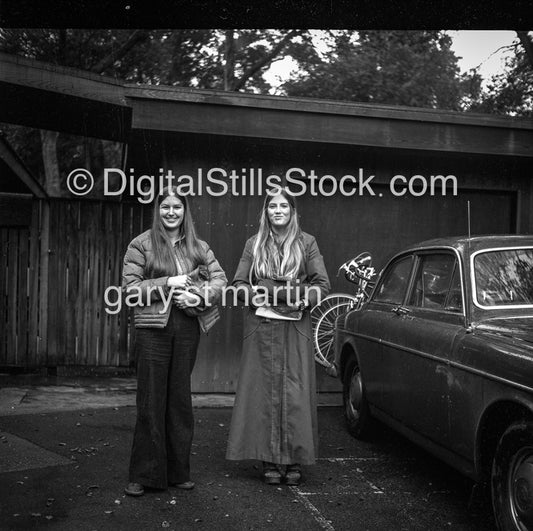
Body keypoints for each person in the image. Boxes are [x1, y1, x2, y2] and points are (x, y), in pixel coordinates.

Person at [122, 186, 227, 497]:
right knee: (151, 400)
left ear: (185, 211)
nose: (171, 212)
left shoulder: (199, 246)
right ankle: (144, 474)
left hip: (186, 327)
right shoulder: (141, 244)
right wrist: (168, 282)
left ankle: (178, 471)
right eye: (165, 206)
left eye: (177, 207)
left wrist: (196, 294)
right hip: (152, 329)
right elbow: (130, 289)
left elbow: (219, 281)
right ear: (158, 209)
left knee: (179, 400)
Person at [226, 188, 330, 485]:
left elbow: (321, 285)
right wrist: (256, 295)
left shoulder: (306, 243)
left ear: (293, 210)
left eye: (284, 205)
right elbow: (238, 284)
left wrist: (299, 296)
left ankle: (293, 460)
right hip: (262, 327)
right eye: (273, 206)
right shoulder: (254, 244)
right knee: (265, 392)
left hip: (295, 326)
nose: (278, 210)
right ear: (266, 211)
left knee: (295, 393)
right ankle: (269, 459)